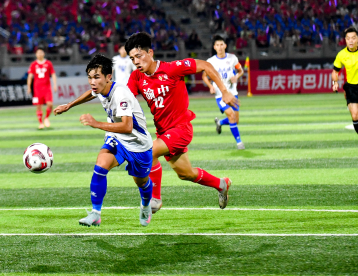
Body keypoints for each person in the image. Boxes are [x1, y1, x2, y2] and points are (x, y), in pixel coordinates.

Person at [61, 32, 233, 213]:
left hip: (181, 128)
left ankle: (155, 199)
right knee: (185, 173)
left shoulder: (172, 69)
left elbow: (205, 65)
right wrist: (71, 104)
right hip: (163, 132)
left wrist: (224, 91)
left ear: (150, 53)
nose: (136, 61)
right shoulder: (137, 77)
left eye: (139, 56)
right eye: (132, 58)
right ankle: (221, 184)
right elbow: (110, 90)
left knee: (149, 151)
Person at [54, 54, 154, 227]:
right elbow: (91, 94)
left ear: (109, 77)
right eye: (90, 77)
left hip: (138, 144)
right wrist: (69, 105)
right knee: (100, 165)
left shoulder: (120, 94)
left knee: (142, 182)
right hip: (116, 138)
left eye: (96, 77)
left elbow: (127, 127)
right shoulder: (101, 88)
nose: (92, 82)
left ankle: (146, 205)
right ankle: (96, 213)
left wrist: (96, 124)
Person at [202, 36, 245, 149]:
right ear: (214, 47)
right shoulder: (210, 61)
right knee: (231, 115)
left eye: (221, 44)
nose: (220, 47)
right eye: (217, 45)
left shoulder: (232, 58)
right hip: (219, 94)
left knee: (236, 120)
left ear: (225, 45)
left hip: (232, 92)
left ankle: (220, 122)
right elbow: (204, 76)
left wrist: (236, 76)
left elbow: (240, 71)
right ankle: (239, 143)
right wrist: (211, 86)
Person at [27, 48, 57, 129]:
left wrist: (55, 84)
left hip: (47, 87)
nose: (40, 54)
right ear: (36, 54)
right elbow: (30, 76)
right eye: (38, 53)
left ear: (44, 53)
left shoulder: (48, 63)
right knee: (38, 106)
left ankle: (46, 117)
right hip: (37, 88)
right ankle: (40, 123)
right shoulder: (33, 64)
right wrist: (29, 86)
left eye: (41, 52)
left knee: (50, 104)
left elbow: (53, 74)